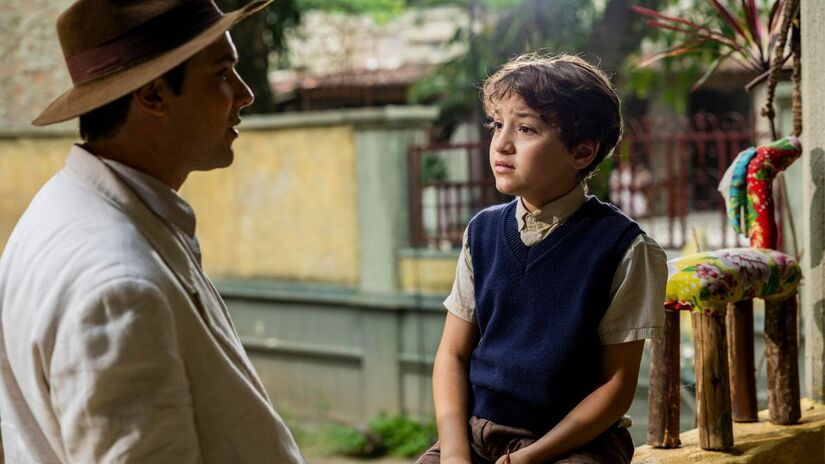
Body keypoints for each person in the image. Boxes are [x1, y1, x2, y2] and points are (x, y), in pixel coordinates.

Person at [0, 1, 305, 462]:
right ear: (154, 96)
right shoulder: (117, 286)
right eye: (222, 73)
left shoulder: (60, 211)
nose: (245, 95)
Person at [416, 54, 668, 464]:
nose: (502, 143)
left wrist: (531, 457)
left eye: (526, 128)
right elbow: (452, 354)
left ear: (582, 152)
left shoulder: (624, 248)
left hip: (576, 442)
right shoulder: (481, 234)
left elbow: (618, 386)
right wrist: (455, 450)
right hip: (478, 435)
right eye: (498, 124)